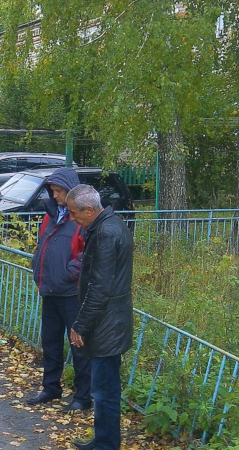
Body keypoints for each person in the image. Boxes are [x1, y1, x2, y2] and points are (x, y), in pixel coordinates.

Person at [66, 184, 134, 450]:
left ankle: (107, 444)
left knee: (104, 392)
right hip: (109, 321)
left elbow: (100, 286)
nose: (72, 219)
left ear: (90, 209)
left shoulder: (106, 232)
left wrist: (80, 325)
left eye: (74, 213)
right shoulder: (109, 226)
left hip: (108, 324)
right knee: (103, 389)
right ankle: (103, 439)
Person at [27, 167, 92, 413]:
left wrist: (67, 273)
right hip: (50, 289)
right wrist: (38, 269)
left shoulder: (81, 218)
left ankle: (83, 396)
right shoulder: (50, 215)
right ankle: (51, 387)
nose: (55, 196)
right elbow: (41, 245)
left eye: (59, 191)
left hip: (71, 292)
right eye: (52, 191)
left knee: (79, 345)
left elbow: (88, 255)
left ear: (71, 191)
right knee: (51, 342)